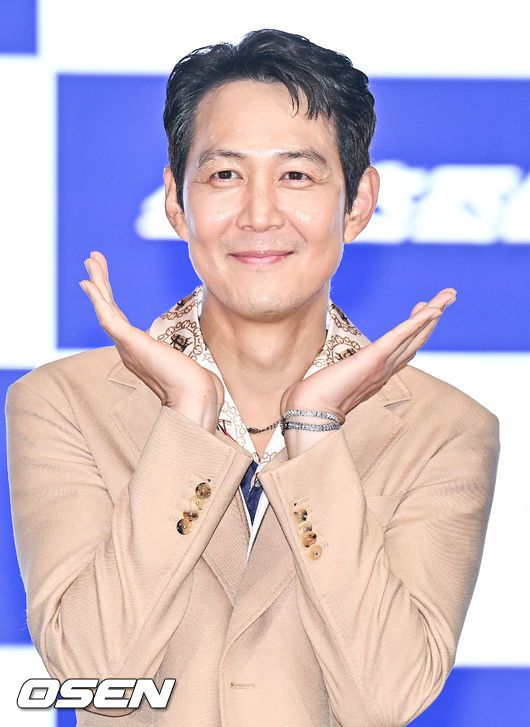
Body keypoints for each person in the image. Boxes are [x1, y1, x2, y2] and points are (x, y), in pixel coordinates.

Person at [5, 28, 500, 727]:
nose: (260, 214)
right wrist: (187, 420)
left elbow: (387, 698)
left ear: (358, 202)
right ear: (176, 200)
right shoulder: (60, 404)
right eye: (224, 176)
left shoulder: (445, 429)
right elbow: (92, 674)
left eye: (296, 175)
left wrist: (316, 430)